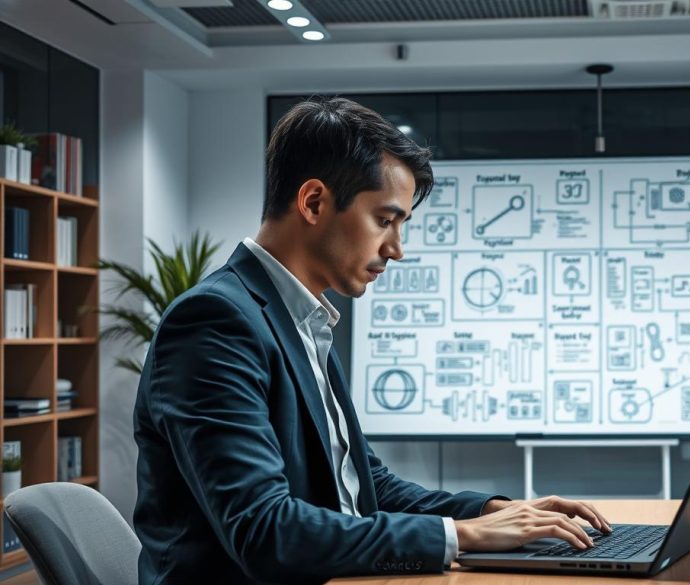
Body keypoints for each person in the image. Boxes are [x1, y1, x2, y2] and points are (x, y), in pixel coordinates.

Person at [133, 96, 611, 584]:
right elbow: (265, 533)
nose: (396, 250)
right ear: (314, 201)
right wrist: (463, 536)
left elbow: (366, 486)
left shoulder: (300, 318)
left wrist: (495, 511)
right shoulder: (215, 322)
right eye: (385, 221)